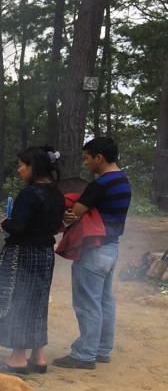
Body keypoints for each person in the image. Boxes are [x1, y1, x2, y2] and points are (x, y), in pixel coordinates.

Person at [54, 137, 132, 369]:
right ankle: (101, 350)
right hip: (111, 247)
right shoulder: (123, 180)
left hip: (93, 250)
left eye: (88, 158)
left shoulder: (100, 184)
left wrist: (67, 213)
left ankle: (84, 354)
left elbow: (74, 214)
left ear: (99, 157)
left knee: (87, 303)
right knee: (104, 301)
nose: (86, 163)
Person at [0, 147, 65, 373]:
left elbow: (18, 227)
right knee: (38, 303)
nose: (19, 170)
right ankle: (38, 356)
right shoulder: (55, 192)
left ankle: (17, 358)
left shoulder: (30, 194)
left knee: (19, 300)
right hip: (45, 254)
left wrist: (5, 223)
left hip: (24, 254)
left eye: (22, 165)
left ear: (34, 167)